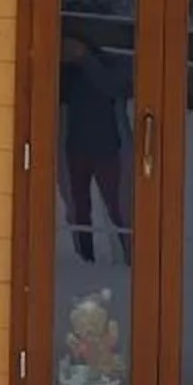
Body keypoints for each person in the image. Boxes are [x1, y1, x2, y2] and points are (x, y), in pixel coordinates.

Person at [56, 24, 132, 262]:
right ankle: (85, 258)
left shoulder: (106, 65)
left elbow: (114, 87)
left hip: (107, 149)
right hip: (75, 150)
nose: (67, 51)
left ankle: (131, 256)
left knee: (118, 207)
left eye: (71, 46)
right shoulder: (64, 74)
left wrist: (85, 59)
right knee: (79, 209)